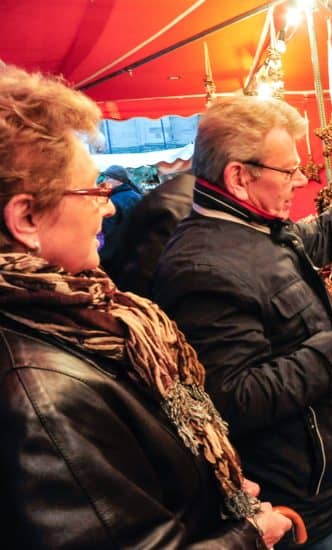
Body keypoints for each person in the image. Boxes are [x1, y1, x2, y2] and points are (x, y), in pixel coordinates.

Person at [0, 65, 292, 548]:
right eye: (95, 191)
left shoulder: (74, 316)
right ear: (27, 217)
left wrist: (212, 487)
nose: (110, 208)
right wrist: (248, 536)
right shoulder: (40, 398)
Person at [151, 95, 332, 549]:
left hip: (321, 483)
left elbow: (320, 235)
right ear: (240, 176)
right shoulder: (203, 267)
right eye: (288, 171)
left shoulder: (252, 225)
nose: (299, 180)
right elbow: (232, 401)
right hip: (291, 506)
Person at [102, 171, 195, 297]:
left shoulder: (121, 198)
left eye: (109, 177)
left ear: (119, 181)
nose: (105, 181)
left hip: (126, 271)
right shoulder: (188, 194)